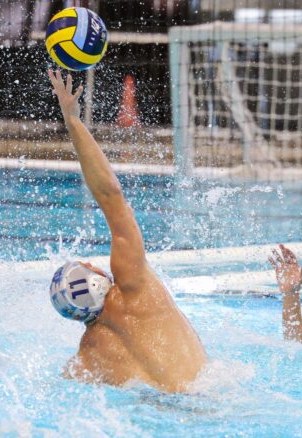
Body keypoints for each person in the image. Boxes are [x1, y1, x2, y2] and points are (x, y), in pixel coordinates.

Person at [46, 69, 207, 393]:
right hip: (208, 396)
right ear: (95, 276)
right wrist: (73, 122)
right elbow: (111, 195)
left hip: (158, 412)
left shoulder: (87, 357)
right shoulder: (132, 285)